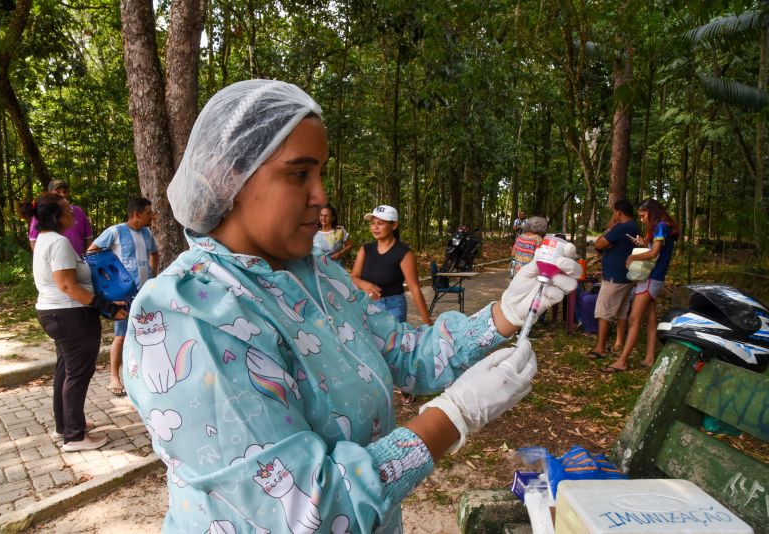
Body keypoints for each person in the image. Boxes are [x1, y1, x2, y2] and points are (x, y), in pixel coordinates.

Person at [121, 80, 580, 533]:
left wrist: (505, 314)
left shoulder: (318, 275)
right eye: (300, 173)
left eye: (320, 172)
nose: (321, 197)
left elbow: (402, 352)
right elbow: (302, 507)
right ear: (229, 179)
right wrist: (452, 417)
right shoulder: (187, 313)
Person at [21, 193, 127, 452]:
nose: (75, 214)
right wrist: (108, 307)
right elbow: (67, 285)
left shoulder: (46, 240)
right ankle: (75, 436)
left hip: (54, 313)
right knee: (78, 374)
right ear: (57, 216)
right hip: (70, 315)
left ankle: (66, 425)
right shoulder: (58, 243)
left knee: (65, 371)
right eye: (68, 210)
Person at [87, 197, 159, 396]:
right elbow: (91, 252)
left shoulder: (147, 233)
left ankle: (144, 375)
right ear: (136, 214)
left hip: (144, 293)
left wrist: (153, 276)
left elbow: (155, 254)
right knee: (121, 335)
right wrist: (107, 282)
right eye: (148, 212)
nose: (152, 216)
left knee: (147, 332)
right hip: (124, 295)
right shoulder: (115, 232)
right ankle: (114, 377)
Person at [605, 199, 678, 372]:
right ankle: (650, 358)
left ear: (651, 212)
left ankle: (622, 361)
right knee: (651, 318)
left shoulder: (660, 226)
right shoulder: (664, 226)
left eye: (644, 216)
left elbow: (653, 253)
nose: (643, 220)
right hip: (654, 277)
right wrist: (643, 244)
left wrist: (632, 257)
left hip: (651, 278)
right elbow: (655, 249)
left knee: (633, 319)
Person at [351, 205, 433, 326]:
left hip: (393, 307)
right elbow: (353, 277)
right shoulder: (365, 249)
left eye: (380, 223)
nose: (375, 227)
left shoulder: (403, 253)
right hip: (367, 305)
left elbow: (414, 288)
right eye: (372, 223)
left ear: (394, 225)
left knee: (393, 344)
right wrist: (365, 285)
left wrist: (428, 323)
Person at [587, 199, 638, 360]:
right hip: (627, 276)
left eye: (613, 212)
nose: (613, 215)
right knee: (622, 311)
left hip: (614, 277)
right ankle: (619, 342)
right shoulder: (634, 227)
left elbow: (600, 243)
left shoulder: (621, 228)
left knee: (603, 311)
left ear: (619, 212)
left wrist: (610, 227)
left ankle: (600, 347)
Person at [27, 180, 93, 257]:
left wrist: (87, 258)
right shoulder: (42, 213)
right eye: (58, 192)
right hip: (54, 261)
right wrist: (42, 260)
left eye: (64, 191)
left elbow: (88, 238)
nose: (62, 194)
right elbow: (33, 240)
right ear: (50, 194)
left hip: (78, 261)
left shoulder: (78, 211)